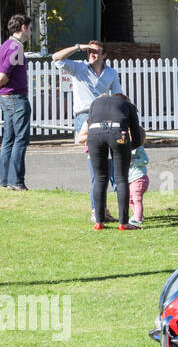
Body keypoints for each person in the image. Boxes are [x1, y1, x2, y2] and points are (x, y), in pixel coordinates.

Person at [53, 40, 125, 221]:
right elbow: (56, 58)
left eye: (96, 52)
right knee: (96, 165)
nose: (92, 55)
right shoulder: (79, 68)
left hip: (104, 115)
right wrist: (79, 47)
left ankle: (103, 209)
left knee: (108, 164)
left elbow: (118, 96)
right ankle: (97, 211)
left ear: (104, 55)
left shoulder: (111, 73)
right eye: (90, 52)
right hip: (85, 117)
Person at [83, 92, 145, 229]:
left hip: (94, 135)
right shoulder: (128, 105)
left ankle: (99, 221)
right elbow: (136, 136)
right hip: (119, 134)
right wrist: (128, 149)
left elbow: (90, 122)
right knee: (121, 179)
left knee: (99, 178)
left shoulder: (95, 103)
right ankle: (123, 223)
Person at [0, 14, 32, 191]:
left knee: (8, 140)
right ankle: (16, 181)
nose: (30, 32)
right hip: (16, 98)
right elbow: (4, 73)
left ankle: (6, 180)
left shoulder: (4, 45)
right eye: (30, 28)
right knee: (20, 140)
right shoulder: (17, 47)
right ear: (23, 27)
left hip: (5, 98)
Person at [127, 143, 150, 229]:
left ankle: (138, 219)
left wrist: (133, 160)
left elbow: (145, 160)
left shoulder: (138, 148)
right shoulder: (125, 148)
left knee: (137, 199)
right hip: (130, 179)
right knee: (130, 199)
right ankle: (137, 214)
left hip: (139, 178)